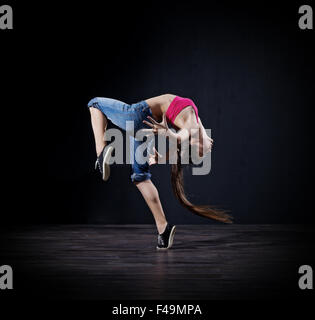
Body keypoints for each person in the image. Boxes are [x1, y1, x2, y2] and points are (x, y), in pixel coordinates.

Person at [88, 94, 232, 250]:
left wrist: (168, 134)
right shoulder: (194, 125)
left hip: (140, 115)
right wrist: (161, 158)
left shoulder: (192, 127)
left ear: (192, 142)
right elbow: (181, 143)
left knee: (94, 103)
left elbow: (181, 137)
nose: (210, 145)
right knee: (140, 177)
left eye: (202, 149)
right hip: (146, 128)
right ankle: (163, 230)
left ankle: (101, 153)